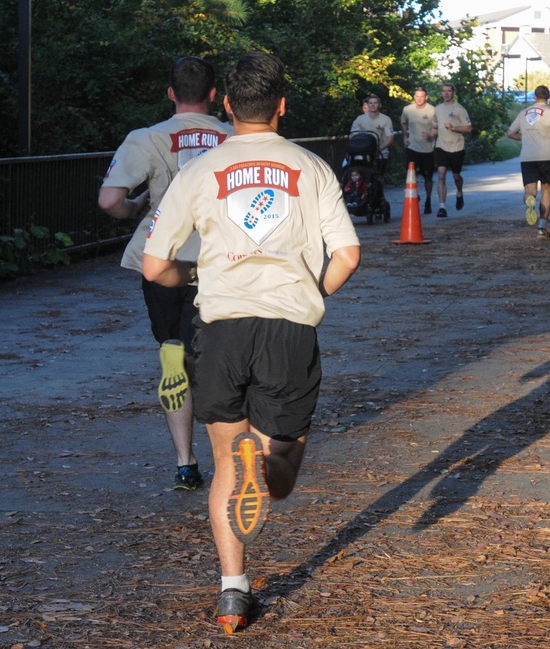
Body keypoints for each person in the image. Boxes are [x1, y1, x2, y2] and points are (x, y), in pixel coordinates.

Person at [142, 50, 361, 634]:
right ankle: (273, 462)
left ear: (228, 106)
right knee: (283, 461)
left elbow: (154, 264)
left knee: (224, 471)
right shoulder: (311, 168)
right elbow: (348, 254)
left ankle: (233, 593)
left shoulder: (198, 172)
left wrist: (191, 277)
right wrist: (310, 295)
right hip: (288, 327)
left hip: (219, 329)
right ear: (283, 106)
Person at [98, 56, 233, 491]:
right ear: (215, 95)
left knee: (173, 356)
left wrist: (135, 209)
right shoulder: (234, 137)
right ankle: (230, 459)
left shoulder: (147, 138)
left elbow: (109, 200)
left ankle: (184, 461)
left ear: (171, 93)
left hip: (163, 261)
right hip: (219, 263)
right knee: (218, 359)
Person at [506, 85, 550, 239]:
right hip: (547, 155)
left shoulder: (523, 113)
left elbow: (510, 133)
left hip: (528, 157)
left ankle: (530, 199)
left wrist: (525, 137)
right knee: (546, 190)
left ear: (534, 97)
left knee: (530, 190)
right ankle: (541, 228)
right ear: (548, 97)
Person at [431, 83, 473, 218]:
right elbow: (435, 125)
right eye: (444, 91)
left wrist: (453, 128)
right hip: (441, 146)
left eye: (449, 91)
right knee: (441, 175)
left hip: (457, 147)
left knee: (456, 176)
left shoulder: (460, 109)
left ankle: (459, 192)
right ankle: (442, 207)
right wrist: (433, 132)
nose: (446, 93)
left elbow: (468, 128)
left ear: (453, 92)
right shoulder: (437, 109)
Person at [400, 87, 436, 215]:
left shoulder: (432, 110)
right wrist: (405, 136)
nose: (419, 98)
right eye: (417, 96)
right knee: (411, 175)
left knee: (428, 176)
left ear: (426, 97)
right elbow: (404, 123)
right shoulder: (408, 110)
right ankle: (415, 195)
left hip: (428, 149)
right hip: (412, 147)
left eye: (422, 96)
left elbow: (437, 127)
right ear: (414, 97)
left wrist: (432, 134)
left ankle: (428, 199)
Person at [350, 94, 394, 173]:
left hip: (380, 152)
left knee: (378, 174)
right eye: (370, 103)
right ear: (368, 105)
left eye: (375, 103)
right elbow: (353, 134)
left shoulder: (386, 119)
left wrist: (379, 148)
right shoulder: (360, 119)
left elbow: (390, 138)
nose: (373, 105)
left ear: (379, 105)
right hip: (363, 152)